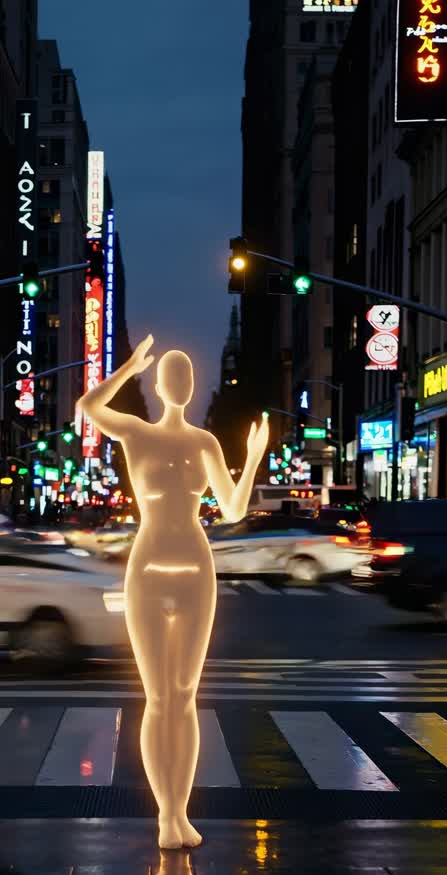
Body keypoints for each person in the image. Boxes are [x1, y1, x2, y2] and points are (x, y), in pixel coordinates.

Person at [78, 335, 268, 849]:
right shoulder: (136, 434)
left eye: (187, 376)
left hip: (194, 570)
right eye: (171, 375)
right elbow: (88, 406)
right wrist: (127, 369)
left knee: (185, 698)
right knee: (157, 697)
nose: (180, 383)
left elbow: (231, 510)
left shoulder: (204, 443)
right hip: (147, 571)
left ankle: (180, 813)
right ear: (160, 385)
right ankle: (164, 816)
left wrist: (251, 459)